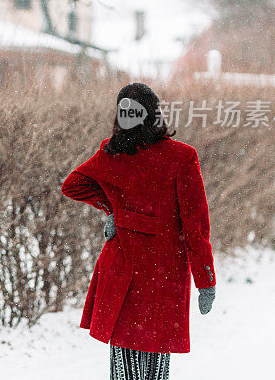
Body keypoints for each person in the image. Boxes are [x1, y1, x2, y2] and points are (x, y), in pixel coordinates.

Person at [61, 82, 216, 380]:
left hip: (124, 268)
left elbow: (73, 185)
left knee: (123, 364)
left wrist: (112, 209)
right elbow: (195, 226)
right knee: (155, 367)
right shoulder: (181, 156)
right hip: (163, 273)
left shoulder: (113, 152)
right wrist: (205, 280)